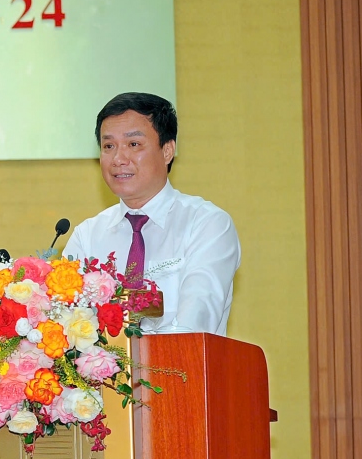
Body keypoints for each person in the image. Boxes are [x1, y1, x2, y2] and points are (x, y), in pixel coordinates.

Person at [62, 92, 240, 335]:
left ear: (167, 151)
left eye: (133, 144)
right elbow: (66, 324)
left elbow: (196, 321)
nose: (118, 159)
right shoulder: (87, 235)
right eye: (108, 146)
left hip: (180, 359)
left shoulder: (207, 224)